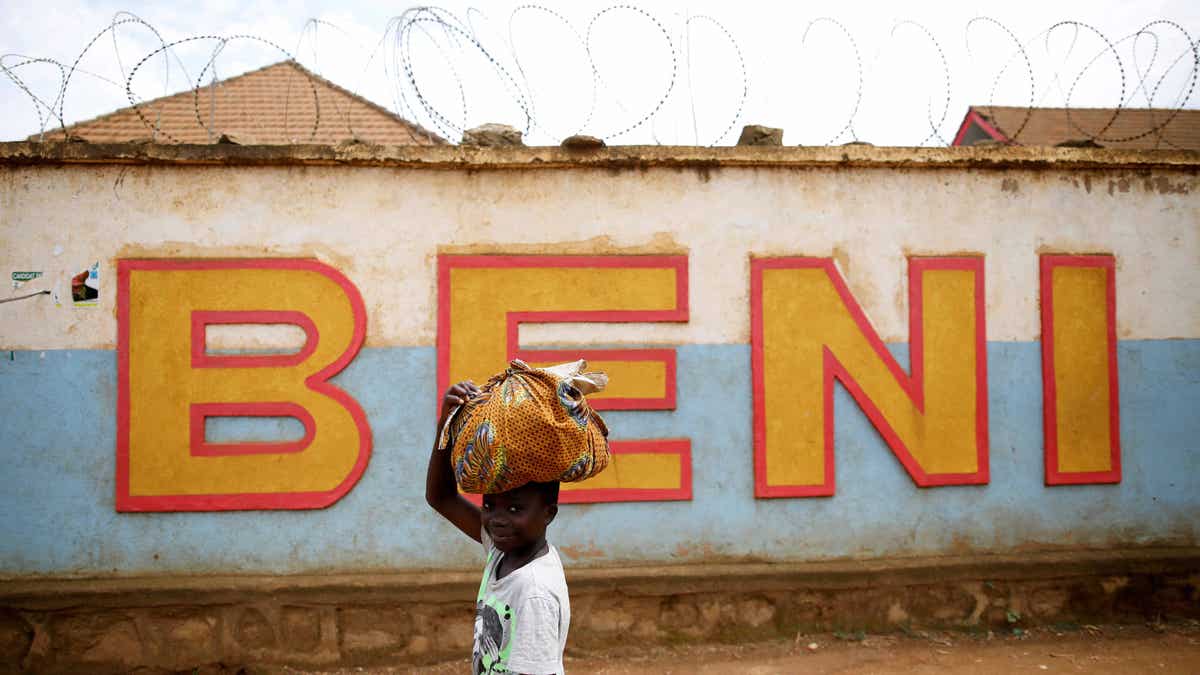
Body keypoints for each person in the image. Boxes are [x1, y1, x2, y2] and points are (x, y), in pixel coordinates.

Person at [426, 379, 571, 675]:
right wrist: (446, 423)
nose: (497, 519)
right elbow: (440, 497)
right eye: (490, 505)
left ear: (549, 514)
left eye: (515, 509)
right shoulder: (503, 553)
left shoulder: (533, 591)